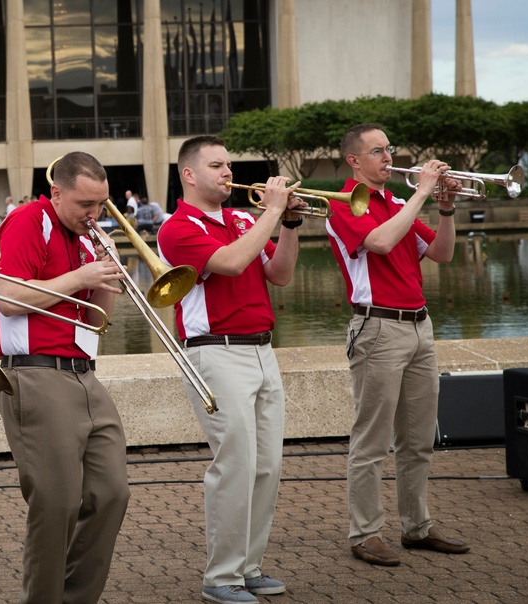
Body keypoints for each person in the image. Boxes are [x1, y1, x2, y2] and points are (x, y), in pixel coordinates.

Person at [156, 134, 306, 604]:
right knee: (235, 464)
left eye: (228, 164)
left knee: (267, 465)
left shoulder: (243, 217)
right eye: (217, 165)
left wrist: (293, 224)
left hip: (261, 348)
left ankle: (248, 567)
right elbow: (233, 263)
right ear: (189, 174)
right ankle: (220, 579)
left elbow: (278, 274)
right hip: (214, 352)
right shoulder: (176, 227)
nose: (228, 173)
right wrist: (273, 213)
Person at [327, 124, 468, 567]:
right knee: (371, 441)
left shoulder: (395, 201)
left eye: (389, 149)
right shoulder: (344, 203)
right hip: (378, 329)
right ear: (354, 160)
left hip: (419, 325)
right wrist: (424, 192)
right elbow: (381, 242)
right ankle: (365, 534)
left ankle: (417, 527)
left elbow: (442, 255)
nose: (388, 157)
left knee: (419, 438)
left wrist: (445, 209)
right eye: (377, 151)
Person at [0, 151, 130, 604]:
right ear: (56, 192)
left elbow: (96, 324)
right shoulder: (28, 221)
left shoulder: (87, 237)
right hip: (35, 373)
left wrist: (108, 279)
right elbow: (8, 298)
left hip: (84, 373)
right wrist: (81, 275)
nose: (94, 215)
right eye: (85, 205)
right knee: (56, 504)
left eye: (101, 205)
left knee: (112, 493)